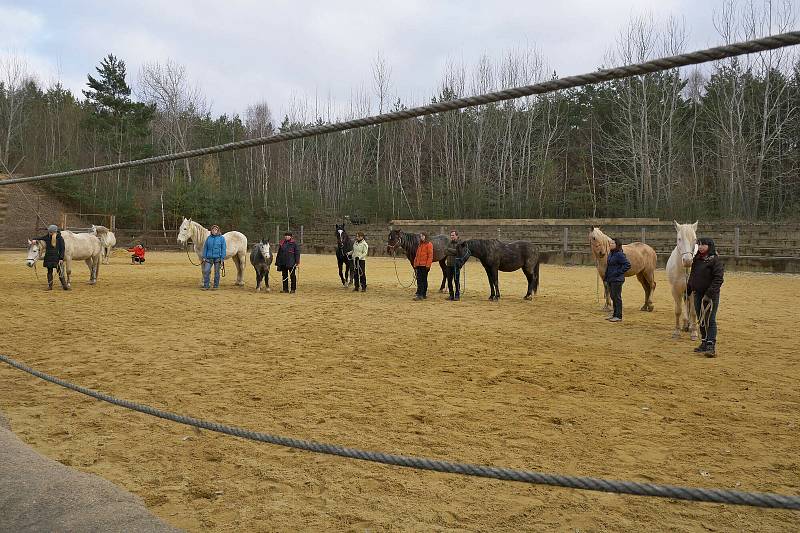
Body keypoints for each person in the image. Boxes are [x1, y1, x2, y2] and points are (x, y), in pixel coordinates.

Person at [687, 237, 724, 357]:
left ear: (710, 246)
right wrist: (689, 288)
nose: (701, 246)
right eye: (700, 244)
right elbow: (693, 275)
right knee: (701, 319)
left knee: (710, 319)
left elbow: (718, 279)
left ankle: (710, 345)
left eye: (704, 244)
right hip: (698, 293)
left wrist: (709, 294)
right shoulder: (697, 259)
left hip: (710, 296)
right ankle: (704, 342)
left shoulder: (715, 260)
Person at [32, 224, 67, 290]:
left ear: (55, 232)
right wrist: (34, 240)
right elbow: (40, 238)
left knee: (60, 272)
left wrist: (61, 258)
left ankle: (64, 286)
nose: (50, 233)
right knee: (49, 272)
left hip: (57, 258)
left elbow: (62, 249)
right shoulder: (47, 237)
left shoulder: (60, 238)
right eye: (49, 232)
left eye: (51, 232)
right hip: (49, 257)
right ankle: (50, 286)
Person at [605, 237, 630, 322]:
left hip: (617, 279)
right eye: (610, 243)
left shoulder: (619, 254)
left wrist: (618, 272)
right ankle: (614, 314)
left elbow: (627, 265)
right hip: (611, 279)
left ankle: (619, 316)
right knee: (613, 296)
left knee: (617, 297)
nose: (610, 245)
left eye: (612, 243)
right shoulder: (611, 254)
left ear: (617, 245)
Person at [201, 225, 226, 290]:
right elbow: (205, 248)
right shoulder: (208, 238)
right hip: (209, 258)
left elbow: (223, 248)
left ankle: (215, 286)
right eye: (213, 230)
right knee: (206, 271)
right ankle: (206, 286)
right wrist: (204, 256)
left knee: (216, 272)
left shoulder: (221, 238)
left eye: (215, 230)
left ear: (218, 231)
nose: (214, 231)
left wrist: (222, 258)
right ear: (211, 231)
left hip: (218, 258)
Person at [413, 231, 434, 301]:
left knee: (423, 280)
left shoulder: (429, 244)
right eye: (420, 236)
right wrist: (415, 264)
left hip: (424, 266)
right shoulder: (420, 245)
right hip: (419, 265)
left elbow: (430, 256)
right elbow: (417, 255)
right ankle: (420, 294)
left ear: (425, 236)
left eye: (422, 236)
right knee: (419, 280)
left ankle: (422, 294)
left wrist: (428, 266)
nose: (421, 237)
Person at [445, 229, 463, 301]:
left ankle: (457, 295)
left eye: (453, 235)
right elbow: (445, 251)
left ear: (457, 236)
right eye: (451, 235)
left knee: (456, 280)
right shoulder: (449, 243)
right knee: (449, 280)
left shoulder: (460, 243)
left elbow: (459, 252)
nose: (451, 236)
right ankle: (451, 294)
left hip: (456, 265)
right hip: (449, 264)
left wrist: (449, 250)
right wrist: (453, 252)